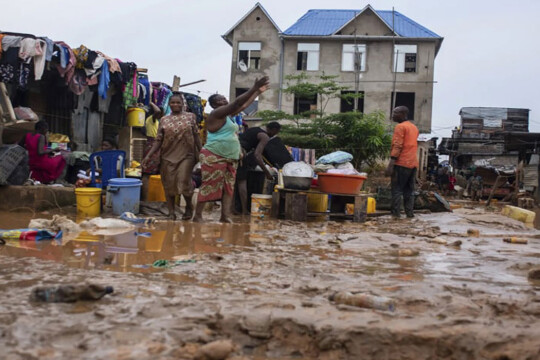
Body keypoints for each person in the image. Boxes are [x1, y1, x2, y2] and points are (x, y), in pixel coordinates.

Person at [192, 76, 270, 223]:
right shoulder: (217, 114)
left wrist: (257, 93)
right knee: (209, 185)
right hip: (214, 154)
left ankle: (225, 216)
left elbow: (243, 105)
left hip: (231, 156)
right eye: (221, 100)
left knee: (229, 187)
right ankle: (197, 216)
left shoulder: (229, 117)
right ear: (214, 104)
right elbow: (237, 103)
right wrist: (253, 88)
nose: (225, 101)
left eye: (224, 99)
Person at [142, 93, 202, 220]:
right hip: (167, 156)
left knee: (183, 182)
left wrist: (202, 152)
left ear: (183, 104)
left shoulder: (191, 117)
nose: (175, 105)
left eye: (178, 102)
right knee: (168, 185)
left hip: (187, 155)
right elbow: (158, 140)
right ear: (169, 104)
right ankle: (171, 212)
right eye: (173, 103)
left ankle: (189, 207)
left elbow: (196, 136)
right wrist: (149, 156)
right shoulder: (164, 119)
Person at [236, 121, 281, 214]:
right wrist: (267, 173)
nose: (274, 136)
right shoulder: (265, 137)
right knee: (242, 182)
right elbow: (257, 155)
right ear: (273, 130)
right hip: (240, 154)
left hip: (233, 150)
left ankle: (233, 209)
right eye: (275, 133)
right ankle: (244, 210)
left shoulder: (254, 129)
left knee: (233, 182)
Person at [385, 106, 419, 219]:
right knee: (409, 191)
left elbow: (398, 145)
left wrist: (391, 163)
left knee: (396, 190)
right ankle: (410, 215)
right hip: (413, 164)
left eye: (395, 112)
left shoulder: (400, 127)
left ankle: (396, 216)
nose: (393, 115)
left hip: (401, 163)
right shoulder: (414, 127)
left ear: (403, 114)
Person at [142, 102, 163, 175]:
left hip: (155, 144)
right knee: (148, 170)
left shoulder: (157, 121)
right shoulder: (151, 119)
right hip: (152, 144)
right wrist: (150, 102)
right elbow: (158, 111)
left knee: (154, 169)